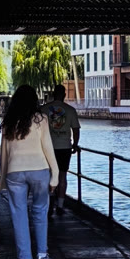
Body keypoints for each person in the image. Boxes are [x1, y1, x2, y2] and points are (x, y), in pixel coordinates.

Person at [0, 83, 58, 259]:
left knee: (19, 215)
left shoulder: (9, 122)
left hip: (14, 172)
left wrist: (2, 180)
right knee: (40, 211)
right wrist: (55, 175)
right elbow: (48, 148)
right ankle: (42, 254)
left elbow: (4, 153)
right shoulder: (41, 119)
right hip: (39, 170)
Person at [45, 84, 81, 217]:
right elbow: (76, 130)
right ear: (64, 95)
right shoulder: (70, 110)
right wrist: (75, 144)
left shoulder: (44, 109)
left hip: (47, 147)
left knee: (48, 176)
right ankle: (60, 206)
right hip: (65, 147)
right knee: (62, 176)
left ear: (53, 94)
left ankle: (49, 204)